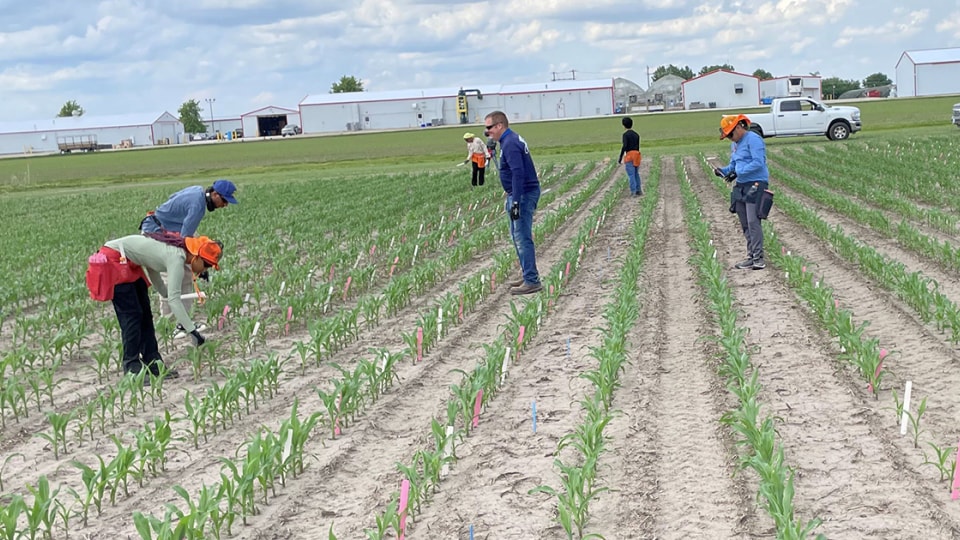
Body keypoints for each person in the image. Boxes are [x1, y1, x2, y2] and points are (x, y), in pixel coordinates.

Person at [87, 233, 222, 379]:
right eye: (206, 265)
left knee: (145, 315)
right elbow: (174, 301)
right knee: (132, 316)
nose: (204, 270)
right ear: (197, 256)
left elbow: (153, 270)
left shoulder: (173, 252)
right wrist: (192, 331)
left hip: (129, 262)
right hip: (115, 260)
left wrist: (166, 293)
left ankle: (153, 362)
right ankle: (132, 367)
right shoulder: (176, 257)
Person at [139, 179, 237, 327]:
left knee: (183, 275)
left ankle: (183, 321)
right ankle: (171, 324)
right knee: (173, 277)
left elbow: (173, 199)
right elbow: (185, 240)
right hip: (157, 234)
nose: (224, 205)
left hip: (159, 228)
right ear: (215, 194)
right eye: (224, 200)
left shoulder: (197, 191)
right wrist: (199, 265)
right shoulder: (198, 206)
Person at [484, 110, 542, 295]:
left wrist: (516, 201)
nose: (487, 132)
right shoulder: (509, 140)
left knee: (522, 237)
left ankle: (532, 280)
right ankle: (527, 275)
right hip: (519, 194)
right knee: (517, 236)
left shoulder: (509, 143)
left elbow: (518, 173)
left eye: (489, 128)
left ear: (500, 125)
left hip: (523, 195)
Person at [715, 114, 769, 270]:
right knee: (744, 222)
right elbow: (733, 165)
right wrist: (723, 171)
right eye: (727, 136)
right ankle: (751, 256)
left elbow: (758, 162)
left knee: (753, 221)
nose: (730, 138)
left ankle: (759, 259)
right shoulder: (735, 144)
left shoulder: (754, 139)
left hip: (756, 183)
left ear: (738, 127)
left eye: (730, 134)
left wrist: (740, 172)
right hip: (741, 185)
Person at [617, 117, 642, 196]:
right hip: (637, 154)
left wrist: (620, 157)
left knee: (631, 174)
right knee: (636, 173)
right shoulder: (636, 134)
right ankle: (639, 190)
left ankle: (633, 191)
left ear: (624, 125)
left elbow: (624, 146)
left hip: (630, 155)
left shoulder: (625, 135)